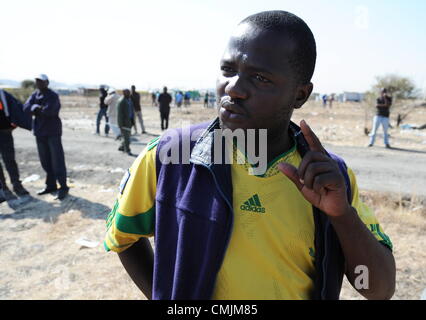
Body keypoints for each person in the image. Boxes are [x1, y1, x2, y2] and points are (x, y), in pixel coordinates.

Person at [104, 11, 395, 300]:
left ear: (300, 95)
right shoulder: (171, 156)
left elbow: (378, 289)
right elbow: (123, 238)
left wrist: (342, 216)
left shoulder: (331, 178)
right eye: (228, 69)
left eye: (259, 78)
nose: (233, 88)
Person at [23, 74, 69, 200]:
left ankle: (63, 187)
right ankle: (51, 185)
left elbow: (50, 111)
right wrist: (36, 107)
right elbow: (26, 107)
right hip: (39, 132)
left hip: (52, 132)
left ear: (47, 82)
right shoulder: (34, 95)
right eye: (37, 81)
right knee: (45, 161)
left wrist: (36, 108)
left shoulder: (52, 96)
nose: (38, 83)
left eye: (41, 81)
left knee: (57, 160)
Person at [0, 89, 31, 200]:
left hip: (5, 133)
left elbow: (17, 109)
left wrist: (13, 126)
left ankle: (17, 186)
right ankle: (3, 188)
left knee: (10, 160)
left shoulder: (4, 95)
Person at [117, 89, 133, 155]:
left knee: (127, 136)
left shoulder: (129, 100)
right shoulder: (121, 101)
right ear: (124, 93)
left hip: (129, 121)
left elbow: (131, 111)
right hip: (124, 123)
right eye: (128, 93)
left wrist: (132, 121)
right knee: (127, 137)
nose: (129, 94)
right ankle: (127, 150)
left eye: (129, 93)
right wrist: (120, 125)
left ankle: (122, 147)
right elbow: (120, 115)